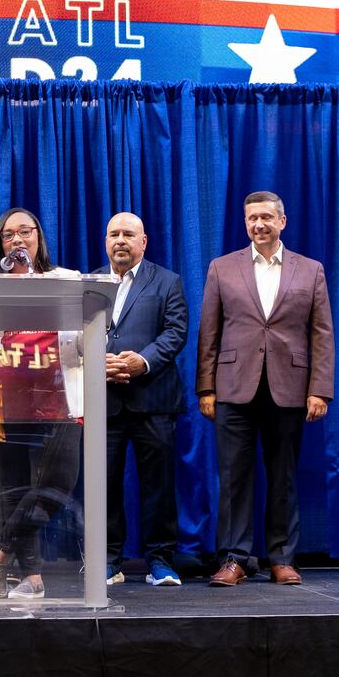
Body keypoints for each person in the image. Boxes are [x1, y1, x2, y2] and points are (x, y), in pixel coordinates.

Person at [196, 190, 333, 587]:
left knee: (284, 476)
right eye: (252, 218)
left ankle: (282, 558)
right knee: (234, 477)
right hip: (232, 388)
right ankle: (235, 558)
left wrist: (319, 389)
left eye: (266, 218)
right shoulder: (222, 268)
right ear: (245, 223)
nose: (259, 224)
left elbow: (321, 334)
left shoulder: (311, 270)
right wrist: (206, 387)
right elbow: (210, 332)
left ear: (282, 222)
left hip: (289, 388)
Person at [0, 208, 84, 600]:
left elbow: (87, 334)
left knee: (58, 482)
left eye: (26, 232)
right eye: (9, 235)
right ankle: (32, 576)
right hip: (5, 397)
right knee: (15, 489)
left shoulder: (67, 281)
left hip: (59, 397)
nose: (18, 240)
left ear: (39, 238)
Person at [98, 212, 189, 587]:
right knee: (103, 484)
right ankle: (107, 560)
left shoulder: (167, 281)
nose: (120, 240)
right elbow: (73, 332)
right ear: (106, 241)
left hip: (154, 399)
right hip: (104, 400)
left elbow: (176, 331)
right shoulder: (90, 283)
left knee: (158, 485)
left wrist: (143, 361)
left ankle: (160, 561)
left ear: (144, 241)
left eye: (128, 234)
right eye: (114, 234)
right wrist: (98, 359)